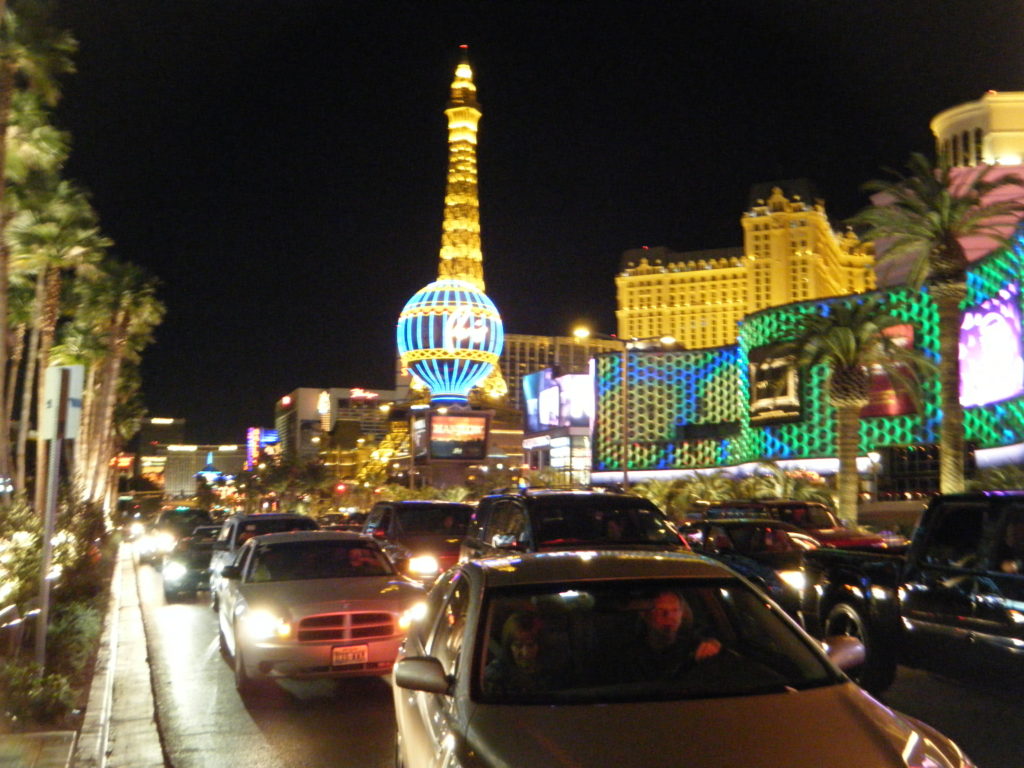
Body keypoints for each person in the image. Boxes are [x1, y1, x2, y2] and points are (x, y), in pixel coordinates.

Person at [623, 590, 722, 681]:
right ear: (645, 615)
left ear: (682, 614)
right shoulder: (629, 654)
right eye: (660, 610)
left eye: (675, 610)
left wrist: (713, 646)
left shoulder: (695, 647)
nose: (669, 616)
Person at [483, 612, 557, 696]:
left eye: (530, 645)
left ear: (540, 644)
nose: (525, 653)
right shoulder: (495, 676)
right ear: (509, 646)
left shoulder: (552, 670)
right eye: (518, 645)